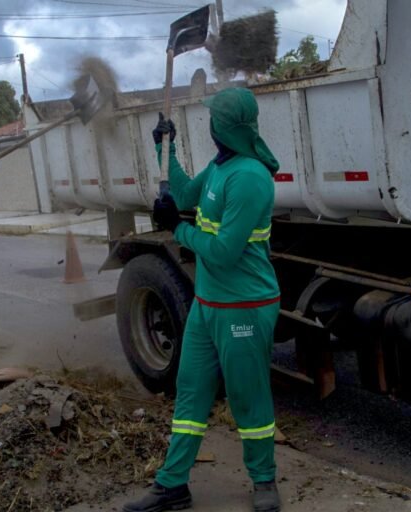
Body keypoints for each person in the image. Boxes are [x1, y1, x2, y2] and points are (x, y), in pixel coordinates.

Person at [123, 88, 282, 512]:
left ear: (225, 127)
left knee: (249, 398)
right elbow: (186, 194)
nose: (209, 124)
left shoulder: (249, 177)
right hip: (208, 304)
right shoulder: (220, 165)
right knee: (190, 394)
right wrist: (165, 148)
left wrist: (177, 228)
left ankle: (264, 481)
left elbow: (225, 253)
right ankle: (172, 484)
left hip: (245, 305)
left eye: (214, 119)